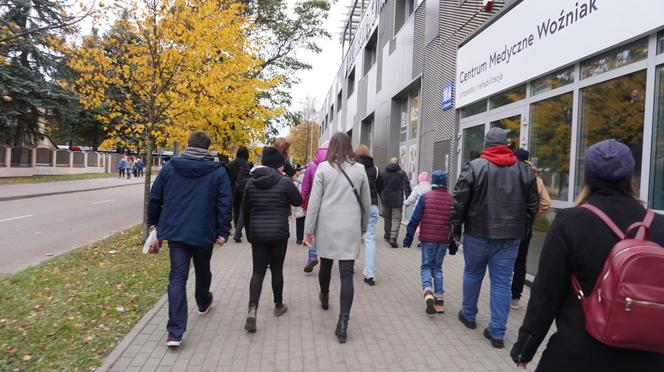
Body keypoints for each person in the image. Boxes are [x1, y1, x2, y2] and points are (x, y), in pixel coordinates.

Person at [511, 139, 664, 371]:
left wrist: (525, 347)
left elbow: (546, 294)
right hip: (649, 355)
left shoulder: (570, 222)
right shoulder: (659, 225)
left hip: (579, 351)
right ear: (629, 176)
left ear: (588, 177)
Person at [450, 127, 539, 349]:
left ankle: (469, 315)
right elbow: (533, 205)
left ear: (486, 145)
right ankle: (497, 332)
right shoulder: (525, 171)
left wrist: (456, 229)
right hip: (510, 237)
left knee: (472, 273)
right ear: (507, 144)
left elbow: (459, 202)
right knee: (501, 284)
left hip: (477, 234)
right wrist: (524, 228)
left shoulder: (474, 167)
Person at [147, 131, 232, 347]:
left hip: (176, 232)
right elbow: (224, 203)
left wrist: (153, 222)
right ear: (208, 149)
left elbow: (155, 196)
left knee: (177, 277)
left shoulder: (170, 167)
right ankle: (203, 301)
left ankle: (174, 333)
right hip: (204, 232)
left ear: (187, 145)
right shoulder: (217, 171)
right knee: (203, 270)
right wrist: (222, 231)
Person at [304, 132, 371, 343]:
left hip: (327, 226)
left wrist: (309, 229)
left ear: (332, 147)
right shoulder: (360, 170)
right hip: (350, 226)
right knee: (347, 274)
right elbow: (366, 203)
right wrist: (363, 226)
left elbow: (314, 202)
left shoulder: (323, 169)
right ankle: (343, 321)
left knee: (325, 264)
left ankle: (324, 296)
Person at [242, 147, 302, 333]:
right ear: (280, 165)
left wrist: (250, 236)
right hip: (278, 234)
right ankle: (278, 305)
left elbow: (245, 211)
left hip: (258, 234)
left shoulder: (251, 183)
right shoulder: (284, 182)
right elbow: (298, 201)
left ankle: (252, 309)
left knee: (258, 272)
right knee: (277, 269)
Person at [403, 170, 453, 314]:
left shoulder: (425, 197)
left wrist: (408, 238)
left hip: (428, 239)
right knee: (437, 268)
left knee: (426, 266)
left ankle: (428, 291)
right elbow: (454, 221)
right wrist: (454, 240)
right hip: (443, 239)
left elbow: (414, 219)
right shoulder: (451, 199)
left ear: (433, 182)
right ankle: (439, 301)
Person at [510, 148, 551, 310]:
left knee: (505, 259)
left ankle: (502, 292)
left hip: (509, 224)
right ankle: (515, 298)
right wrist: (532, 215)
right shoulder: (536, 177)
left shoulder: (511, 173)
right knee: (521, 261)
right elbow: (546, 203)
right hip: (526, 226)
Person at [355, 144, 384, 286]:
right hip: (372, 206)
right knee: (370, 239)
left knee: (353, 237)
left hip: (355, 207)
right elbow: (381, 188)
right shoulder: (376, 170)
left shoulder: (352, 168)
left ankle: (350, 265)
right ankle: (370, 274)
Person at [300, 142, 329, 273]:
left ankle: (312, 256)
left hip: (314, 200)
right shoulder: (333, 166)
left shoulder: (312, 165)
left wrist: (301, 201)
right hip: (330, 202)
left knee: (313, 229)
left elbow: (305, 185)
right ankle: (326, 257)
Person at [381, 158, 412, 248]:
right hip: (397, 200)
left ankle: (387, 235)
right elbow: (406, 186)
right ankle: (393, 238)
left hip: (386, 199)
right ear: (398, 163)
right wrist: (408, 197)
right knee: (396, 219)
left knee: (387, 218)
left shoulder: (383, 173)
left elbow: (379, 186)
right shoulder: (401, 173)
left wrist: (381, 195)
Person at [403, 171, 432, 248]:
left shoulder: (417, 188)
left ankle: (420, 238)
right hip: (428, 210)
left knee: (417, 224)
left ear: (419, 180)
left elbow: (412, 198)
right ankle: (422, 240)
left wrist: (406, 203)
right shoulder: (431, 188)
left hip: (418, 210)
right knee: (424, 225)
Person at [227, 146, 250, 242]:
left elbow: (228, 179)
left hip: (233, 190)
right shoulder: (248, 164)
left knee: (235, 210)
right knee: (243, 211)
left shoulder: (231, 164)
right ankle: (239, 231)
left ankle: (237, 229)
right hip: (245, 190)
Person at [293, 167, 306, 245]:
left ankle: (299, 239)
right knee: (307, 223)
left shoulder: (297, 182)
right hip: (307, 205)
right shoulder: (311, 181)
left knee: (299, 223)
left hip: (299, 205)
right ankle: (306, 240)